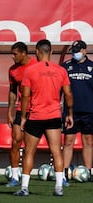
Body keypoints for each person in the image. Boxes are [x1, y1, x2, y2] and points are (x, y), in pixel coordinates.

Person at [14, 39, 73, 196]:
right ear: (51, 52)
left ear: (37, 52)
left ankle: (24, 188)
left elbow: (25, 96)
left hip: (36, 116)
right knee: (56, 152)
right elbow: (68, 94)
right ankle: (59, 187)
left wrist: (24, 116)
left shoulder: (30, 70)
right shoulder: (61, 71)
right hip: (54, 116)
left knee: (29, 152)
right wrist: (70, 114)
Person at [61, 40, 93, 183]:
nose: (76, 53)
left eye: (78, 50)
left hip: (89, 111)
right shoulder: (65, 67)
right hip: (70, 112)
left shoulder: (92, 67)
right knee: (68, 141)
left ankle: (88, 171)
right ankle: (65, 172)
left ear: (85, 51)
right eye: (74, 50)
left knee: (88, 141)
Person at [6, 42, 37, 187]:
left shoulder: (36, 65)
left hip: (37, 109)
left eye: (15, 54)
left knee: (32, 146)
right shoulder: (13, 70)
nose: (13, 57)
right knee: (15, 141)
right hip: (20, 110)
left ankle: (60, 177)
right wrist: (9, 111)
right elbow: (12, 91)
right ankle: (14, 177)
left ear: (24, 53)